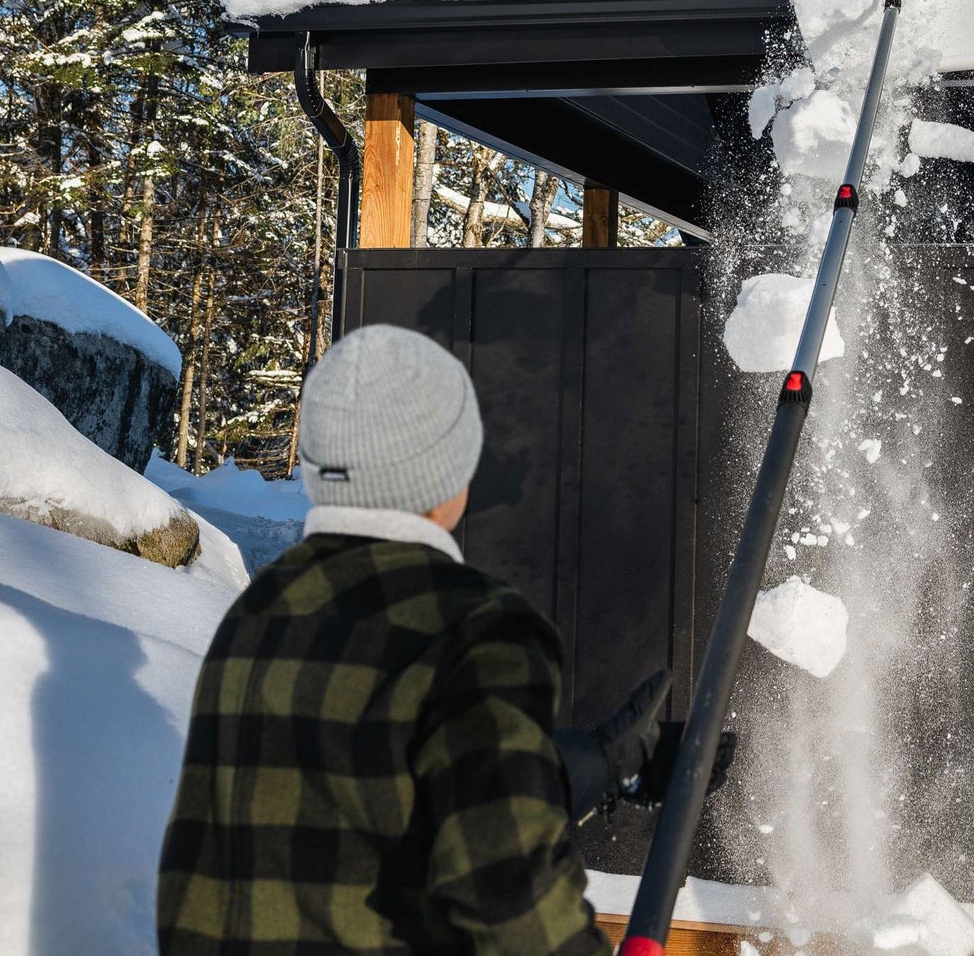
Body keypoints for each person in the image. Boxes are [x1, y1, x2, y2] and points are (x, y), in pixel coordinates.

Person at [157, 323, 672, 955]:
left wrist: (592, 763)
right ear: (446, 470)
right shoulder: (478, 628)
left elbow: (359, 796)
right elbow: (514, 907)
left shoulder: (258, 615)